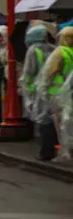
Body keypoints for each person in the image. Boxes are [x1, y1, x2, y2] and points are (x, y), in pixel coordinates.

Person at [21, 23, 57, 160]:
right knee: (54, 120)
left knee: (43, 121)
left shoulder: (33, 51)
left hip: (39, 91)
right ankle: (53, 149)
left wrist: (28, 94)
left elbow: (28, 74)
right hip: (54, 90)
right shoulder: (53, 49)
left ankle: (46, 152)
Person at [42, 27, 73, 159]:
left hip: (57, 92)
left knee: (59, 123)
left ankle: (64, 151)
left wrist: (43, 89)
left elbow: (48, 72)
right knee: (69, 122)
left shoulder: (60, 52)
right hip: (70, 91)